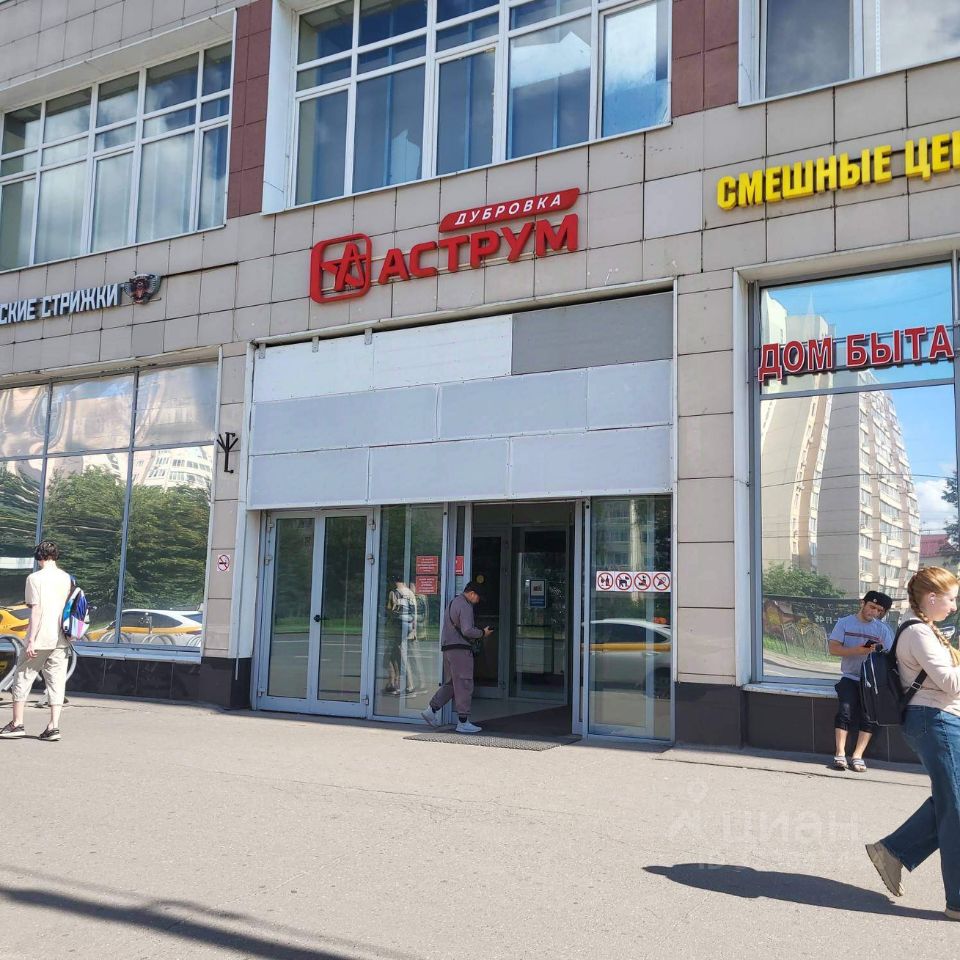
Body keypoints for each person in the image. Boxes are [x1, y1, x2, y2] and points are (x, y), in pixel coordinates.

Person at [865, 566, 960, 919]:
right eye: (951, 599)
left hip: (939, 721)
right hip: (935, 722)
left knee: (950, 802)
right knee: (956, 809)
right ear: (931, 598)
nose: (954, 606)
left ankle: (893, 851)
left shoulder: (926, 629)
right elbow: (949, 682)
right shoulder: (918, 632)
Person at [0, 541, 73, 742]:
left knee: (23, 676)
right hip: (61, 638)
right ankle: (53, 726)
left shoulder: (34, 579)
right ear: (56, 556)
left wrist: (30, 640)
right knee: (56, 681)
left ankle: (17, 723)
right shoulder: (66, 578)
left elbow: (36, 611)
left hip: (41, 637)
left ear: (39, 557)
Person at [828, 589, 893, 771]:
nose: (874, 612)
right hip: (849, 676)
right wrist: (858, 650)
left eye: (879, 611)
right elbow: (833, 649)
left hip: (872, 681)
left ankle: (857, 756)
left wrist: (880, 653)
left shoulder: (882, 629)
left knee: (868, 717)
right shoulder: (844, 623)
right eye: (872, 607)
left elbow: (891, 657)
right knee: (845, 711)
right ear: (862, 603)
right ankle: (840, 753)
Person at [420, 581, 492, 734]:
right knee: (465, 684)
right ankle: (463, 722)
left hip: (448, 649)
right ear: (471, 593)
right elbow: (467, 630)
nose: (478, 600)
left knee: (451, 684)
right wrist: (482, 633)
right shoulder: (466, 606)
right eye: (478, 597)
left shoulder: (453, 602)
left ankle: (431, 710)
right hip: (460, 650)